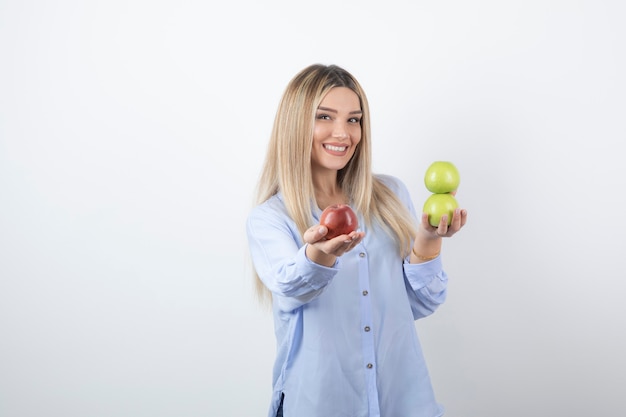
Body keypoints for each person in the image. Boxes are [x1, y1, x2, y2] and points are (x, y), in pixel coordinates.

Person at [246, 64, 468, 417]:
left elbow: (418, 304)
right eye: (325, 116)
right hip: (321, 404)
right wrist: (319, 255)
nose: (343, 133)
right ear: (295, 124)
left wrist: (428, 237)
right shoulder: (270, 219)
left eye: (354, 119)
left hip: (405, 402)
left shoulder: (391, 195)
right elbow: (292, 286)